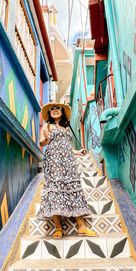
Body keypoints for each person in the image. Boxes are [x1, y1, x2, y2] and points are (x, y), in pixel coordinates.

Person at [38, 102, 97, 239]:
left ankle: (81, 226)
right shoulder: (47, 126)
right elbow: (41, 143)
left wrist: (77, 152)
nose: (54, 110)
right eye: (52, 109)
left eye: (57, 108)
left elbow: (67, 147)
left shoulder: (66, 128)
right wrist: (46, 138)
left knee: (73, 188)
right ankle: (58, 228)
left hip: (68, 162)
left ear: (62, 111)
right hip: (54, 162)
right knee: (55, 190)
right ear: (49, 113)